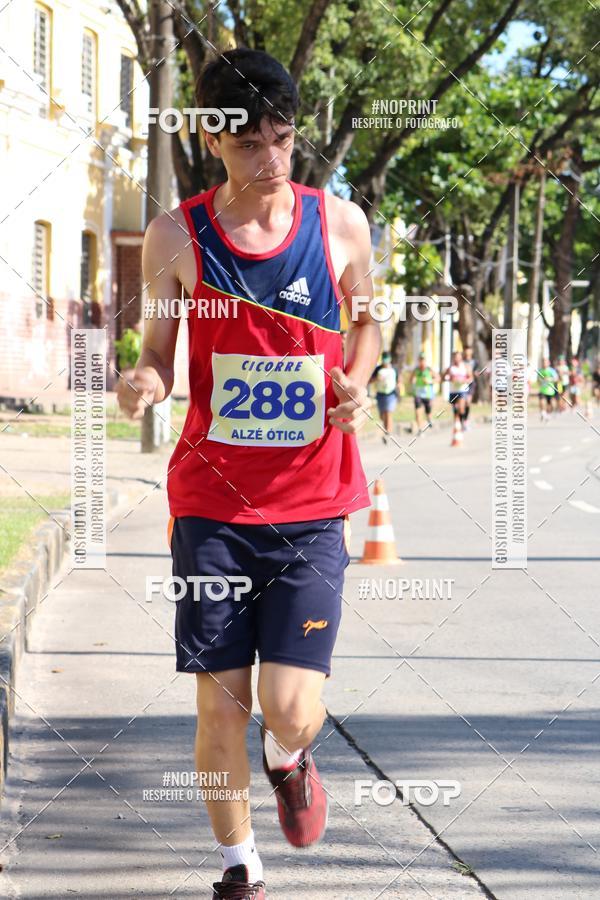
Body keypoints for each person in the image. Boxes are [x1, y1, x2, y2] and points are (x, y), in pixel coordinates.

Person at [116, 48, 381, 900]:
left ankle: (290, 755)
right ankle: (241, 868)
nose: (272, 159)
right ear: (210, 137)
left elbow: (369, 322)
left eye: (284, 137)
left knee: (292, 707)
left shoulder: (339, 223)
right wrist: (143, 382)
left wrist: (358, 384)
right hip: (212, 510)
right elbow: (159, 352)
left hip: (310, 506)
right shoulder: (175, 235)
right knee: (217, 707)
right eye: (252, 142)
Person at [370, 351, 398, 443]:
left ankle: (387, 433)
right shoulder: (378, 369)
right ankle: (386, 429)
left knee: (388, 413)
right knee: (382, 416)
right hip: (380, 394)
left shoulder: (394, 369)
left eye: (387, 358)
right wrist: (377, 379)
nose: (385, 360)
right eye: (384, 358)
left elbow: (398, 380)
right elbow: (370, 380)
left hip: (391, 394)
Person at [443, 350, 471, 430]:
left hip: (462, 390)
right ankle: (457, 423)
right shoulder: (450, 368)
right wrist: (450, 379)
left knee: (461, 408)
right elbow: (444, 377)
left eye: (458, 357)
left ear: (461, 357)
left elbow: (471, 378)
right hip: (453, 391)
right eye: (455, 357)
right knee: (455, 408)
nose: (457, 359)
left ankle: (462, 422)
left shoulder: (465, 366)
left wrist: (464, 381)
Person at [410, 352, 438, 432]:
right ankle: (420, 428)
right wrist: (413, 380)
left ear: (425, 361)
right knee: (418, 411)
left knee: (428, 411)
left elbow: (438, 379)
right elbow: (411, 379)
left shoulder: (429, 370)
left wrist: (430, 381)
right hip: (418, 394)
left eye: (423, 360)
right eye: (420, 360)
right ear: (418, 361)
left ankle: (429, 419)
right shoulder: (416, 370)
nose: (422, 362)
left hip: (427, 395)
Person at [538, 356, 558, 421]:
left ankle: (548, 414)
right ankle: (543, 413)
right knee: (542, 401)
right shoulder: (540, 370)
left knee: (551, 405)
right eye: (543, 362)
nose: (544, 363)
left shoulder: (551, 370)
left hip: (550, 390)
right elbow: (538, 380)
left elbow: (556, 378)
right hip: (543, 390)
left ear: (548, 363)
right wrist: (541, 380)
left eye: (546, 362)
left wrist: (549, 379)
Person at [462, 346, 477, 430]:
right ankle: (462, 420)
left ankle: (466, 421)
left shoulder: (475, 362)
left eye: (469, 352)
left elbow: (477, 371)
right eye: (466, 352)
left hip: (471, 383)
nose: (467, 354)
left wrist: (475, 373)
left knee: (468, 402)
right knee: (462, 403)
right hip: (462, 383)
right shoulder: (461, 362)